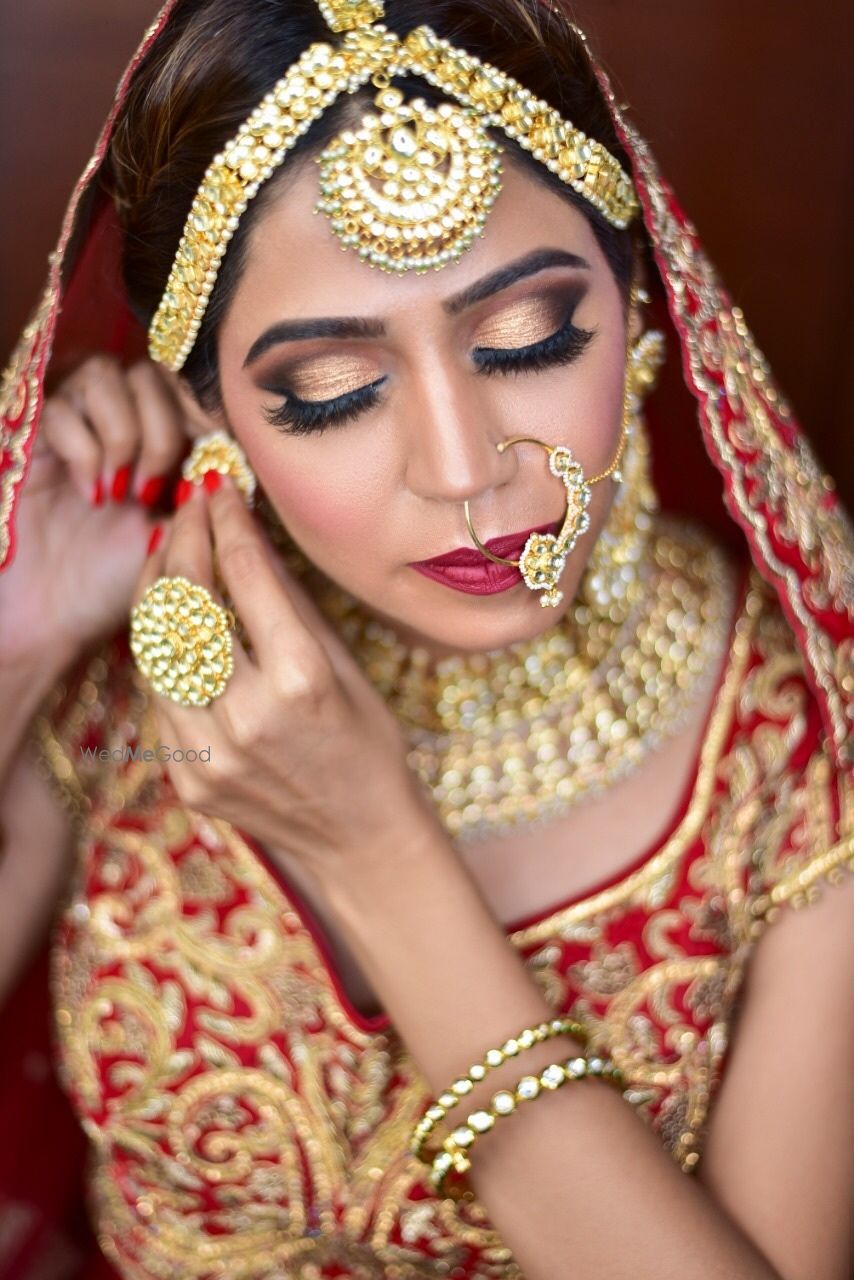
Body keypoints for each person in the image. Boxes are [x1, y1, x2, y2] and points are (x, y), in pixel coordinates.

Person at [0, 1, 851, 1277]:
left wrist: (378, 853)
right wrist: (16, 650)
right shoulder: (154, 674)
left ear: (639, 305)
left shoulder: (797, 754)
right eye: (331, 392)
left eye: (529, 337)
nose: (464, 469)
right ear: (213, 404)